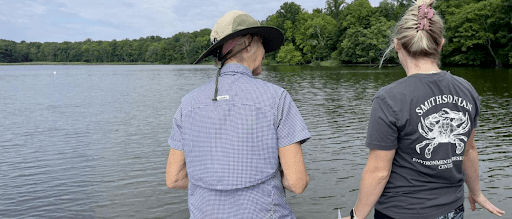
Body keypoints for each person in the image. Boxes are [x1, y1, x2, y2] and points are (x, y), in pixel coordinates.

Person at [341, 0, 506, 218]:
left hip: (401, 211)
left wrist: (356, 216)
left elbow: (379, 171)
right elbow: (469, 149)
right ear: (440, 44)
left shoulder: (389, 98)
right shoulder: (467, 90)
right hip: (451, 210)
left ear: (397, 43)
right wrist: (476, 192)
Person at [165, 10, 310, 218]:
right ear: (249, 44)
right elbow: (297, 182)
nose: (265, 53)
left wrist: (219, 179)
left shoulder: (187, 104)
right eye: (262, 44)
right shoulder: (277, 98)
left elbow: (174, 179)